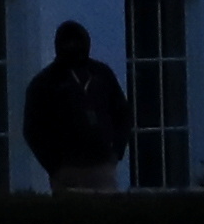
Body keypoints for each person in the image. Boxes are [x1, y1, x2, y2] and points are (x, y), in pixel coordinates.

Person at [21, 19, 134, 194]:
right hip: (67, 169)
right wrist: (54, 166)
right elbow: (32, 129)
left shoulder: (101, 75)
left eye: (76, 42)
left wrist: (115, 153)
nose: (73, 47)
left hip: (101, 165)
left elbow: (123, 114)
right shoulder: (45, 83)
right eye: (68, 43)